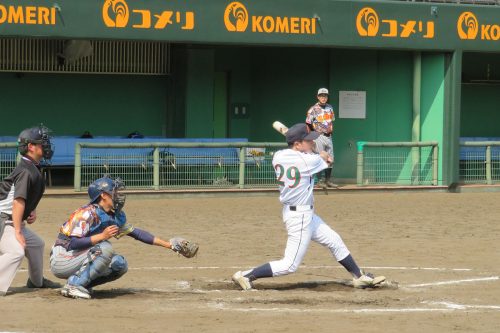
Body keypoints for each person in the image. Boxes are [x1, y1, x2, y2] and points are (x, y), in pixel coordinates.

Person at [232, 123, 385, 290]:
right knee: (290, 265)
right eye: (308, 141)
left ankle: (359, 276)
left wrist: (310, 151)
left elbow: (305, 155)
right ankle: (245, 275)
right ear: (297, 144)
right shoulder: (308, 160)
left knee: (334, 240)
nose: (312, 143)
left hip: (305, 214)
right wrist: (322, 154)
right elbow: (327, 159)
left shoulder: (278, 155)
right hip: (300, 217)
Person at [49, 176, 199, 299]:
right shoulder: (86, 213)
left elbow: (138, 234)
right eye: (113, 192)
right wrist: (102, 236)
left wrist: (170, 245)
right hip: (62, 258)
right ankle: (73, 285)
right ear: (103, 195)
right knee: (105, 248)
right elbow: (73, 243)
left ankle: (83, 284)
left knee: (119, 264)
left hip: (78, 257)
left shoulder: (112, 216)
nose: (118, 195)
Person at [0, 124, 60, 296]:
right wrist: (18, 231)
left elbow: (22, 200)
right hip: (4, 221)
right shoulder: (26, 170)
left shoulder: (32, 167)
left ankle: (36, 281)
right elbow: (18, 202)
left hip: (11, 220)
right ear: (30, 147)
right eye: (43, 142)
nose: (46, 146)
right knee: (16, 252)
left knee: (36, 244)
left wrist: (30, 211)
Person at [306, 88, 337, 188]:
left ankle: (328, 181)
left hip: (329, 136)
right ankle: (320, 181)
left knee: (331, 159)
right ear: (318, 97)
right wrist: (312, 135)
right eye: (321, 96)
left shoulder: (330, 107)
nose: (323, 98)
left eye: (325, 96)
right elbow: (308, 123)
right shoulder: (313, 109)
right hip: (318, 136)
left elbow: (331, 120)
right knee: (320, 158)